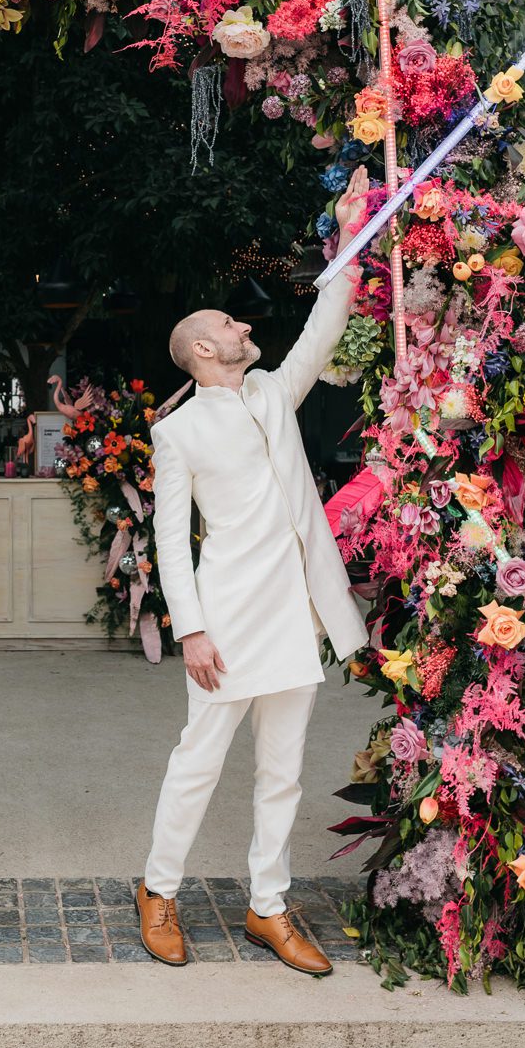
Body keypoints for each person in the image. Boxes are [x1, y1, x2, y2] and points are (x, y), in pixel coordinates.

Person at [137, 167, 370, 975]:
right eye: (231, 323)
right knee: (197, 761)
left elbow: (322, 329)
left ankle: (267, 906)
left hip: (296, 614)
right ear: (205, 348)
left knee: (284, 772)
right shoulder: (179, 434)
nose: (245, 324)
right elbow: (171, 541)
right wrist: (190, 628)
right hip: (227, 622)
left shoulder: (273, 392)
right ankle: (157, 892)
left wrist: (345, 235)